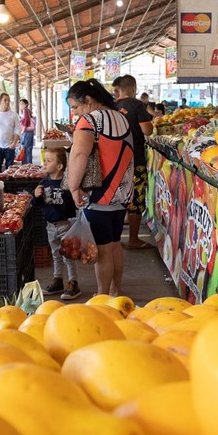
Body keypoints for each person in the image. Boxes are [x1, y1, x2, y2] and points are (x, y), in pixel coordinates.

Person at [67, 79, 133, 297]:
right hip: (122, 194)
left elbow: (79, 155)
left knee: (103, 250)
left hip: (99, 194)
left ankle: (102, 297)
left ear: (88, 100)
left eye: (75, 107)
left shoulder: (89, 121)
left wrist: (73, 186)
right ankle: (115, 291)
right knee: (115, 245)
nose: (74, 113)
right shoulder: (121, 117)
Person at [111, 75, 153, 250]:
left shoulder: (112, 106)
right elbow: (147, 131)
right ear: (134, 87)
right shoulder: (136, 105)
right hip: (135, 160)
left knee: (118, 197)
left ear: (119, 89)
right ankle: (134, 240)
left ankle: (114, 238)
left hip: (115, 160)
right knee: (136, 199)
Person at [33, 148, 80, 300]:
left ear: (60, 166)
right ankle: (57, 279)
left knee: (68, 255)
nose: (44, 163)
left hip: (66, 224)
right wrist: (36, 196)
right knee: (55, 254)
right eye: (44, 160)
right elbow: (37, 204)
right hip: (50, 225)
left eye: (49, 160)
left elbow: (74, 203)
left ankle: (73, 282)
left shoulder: (67, 182)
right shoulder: (43, 182)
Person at [0, 93, 19, 174]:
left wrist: (14, 144)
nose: (7, 102)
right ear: (0, 101)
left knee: (10, 169)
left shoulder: (14, 115)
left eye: (8, 100)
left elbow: (17, 130)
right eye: (5, 100)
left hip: (10, 146)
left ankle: (8, 186)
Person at [18, 98, 36, 165]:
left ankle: (26, 165)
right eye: (20, 104)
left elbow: (26, 121)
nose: (21, 105)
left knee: (26, 150)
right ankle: (29, 165)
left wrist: (22, 131)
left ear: (26, 104)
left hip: (27, 133)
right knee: (28, 149)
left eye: (22, 104)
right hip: (29, 133)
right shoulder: (27, 111)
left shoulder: (25, 111)